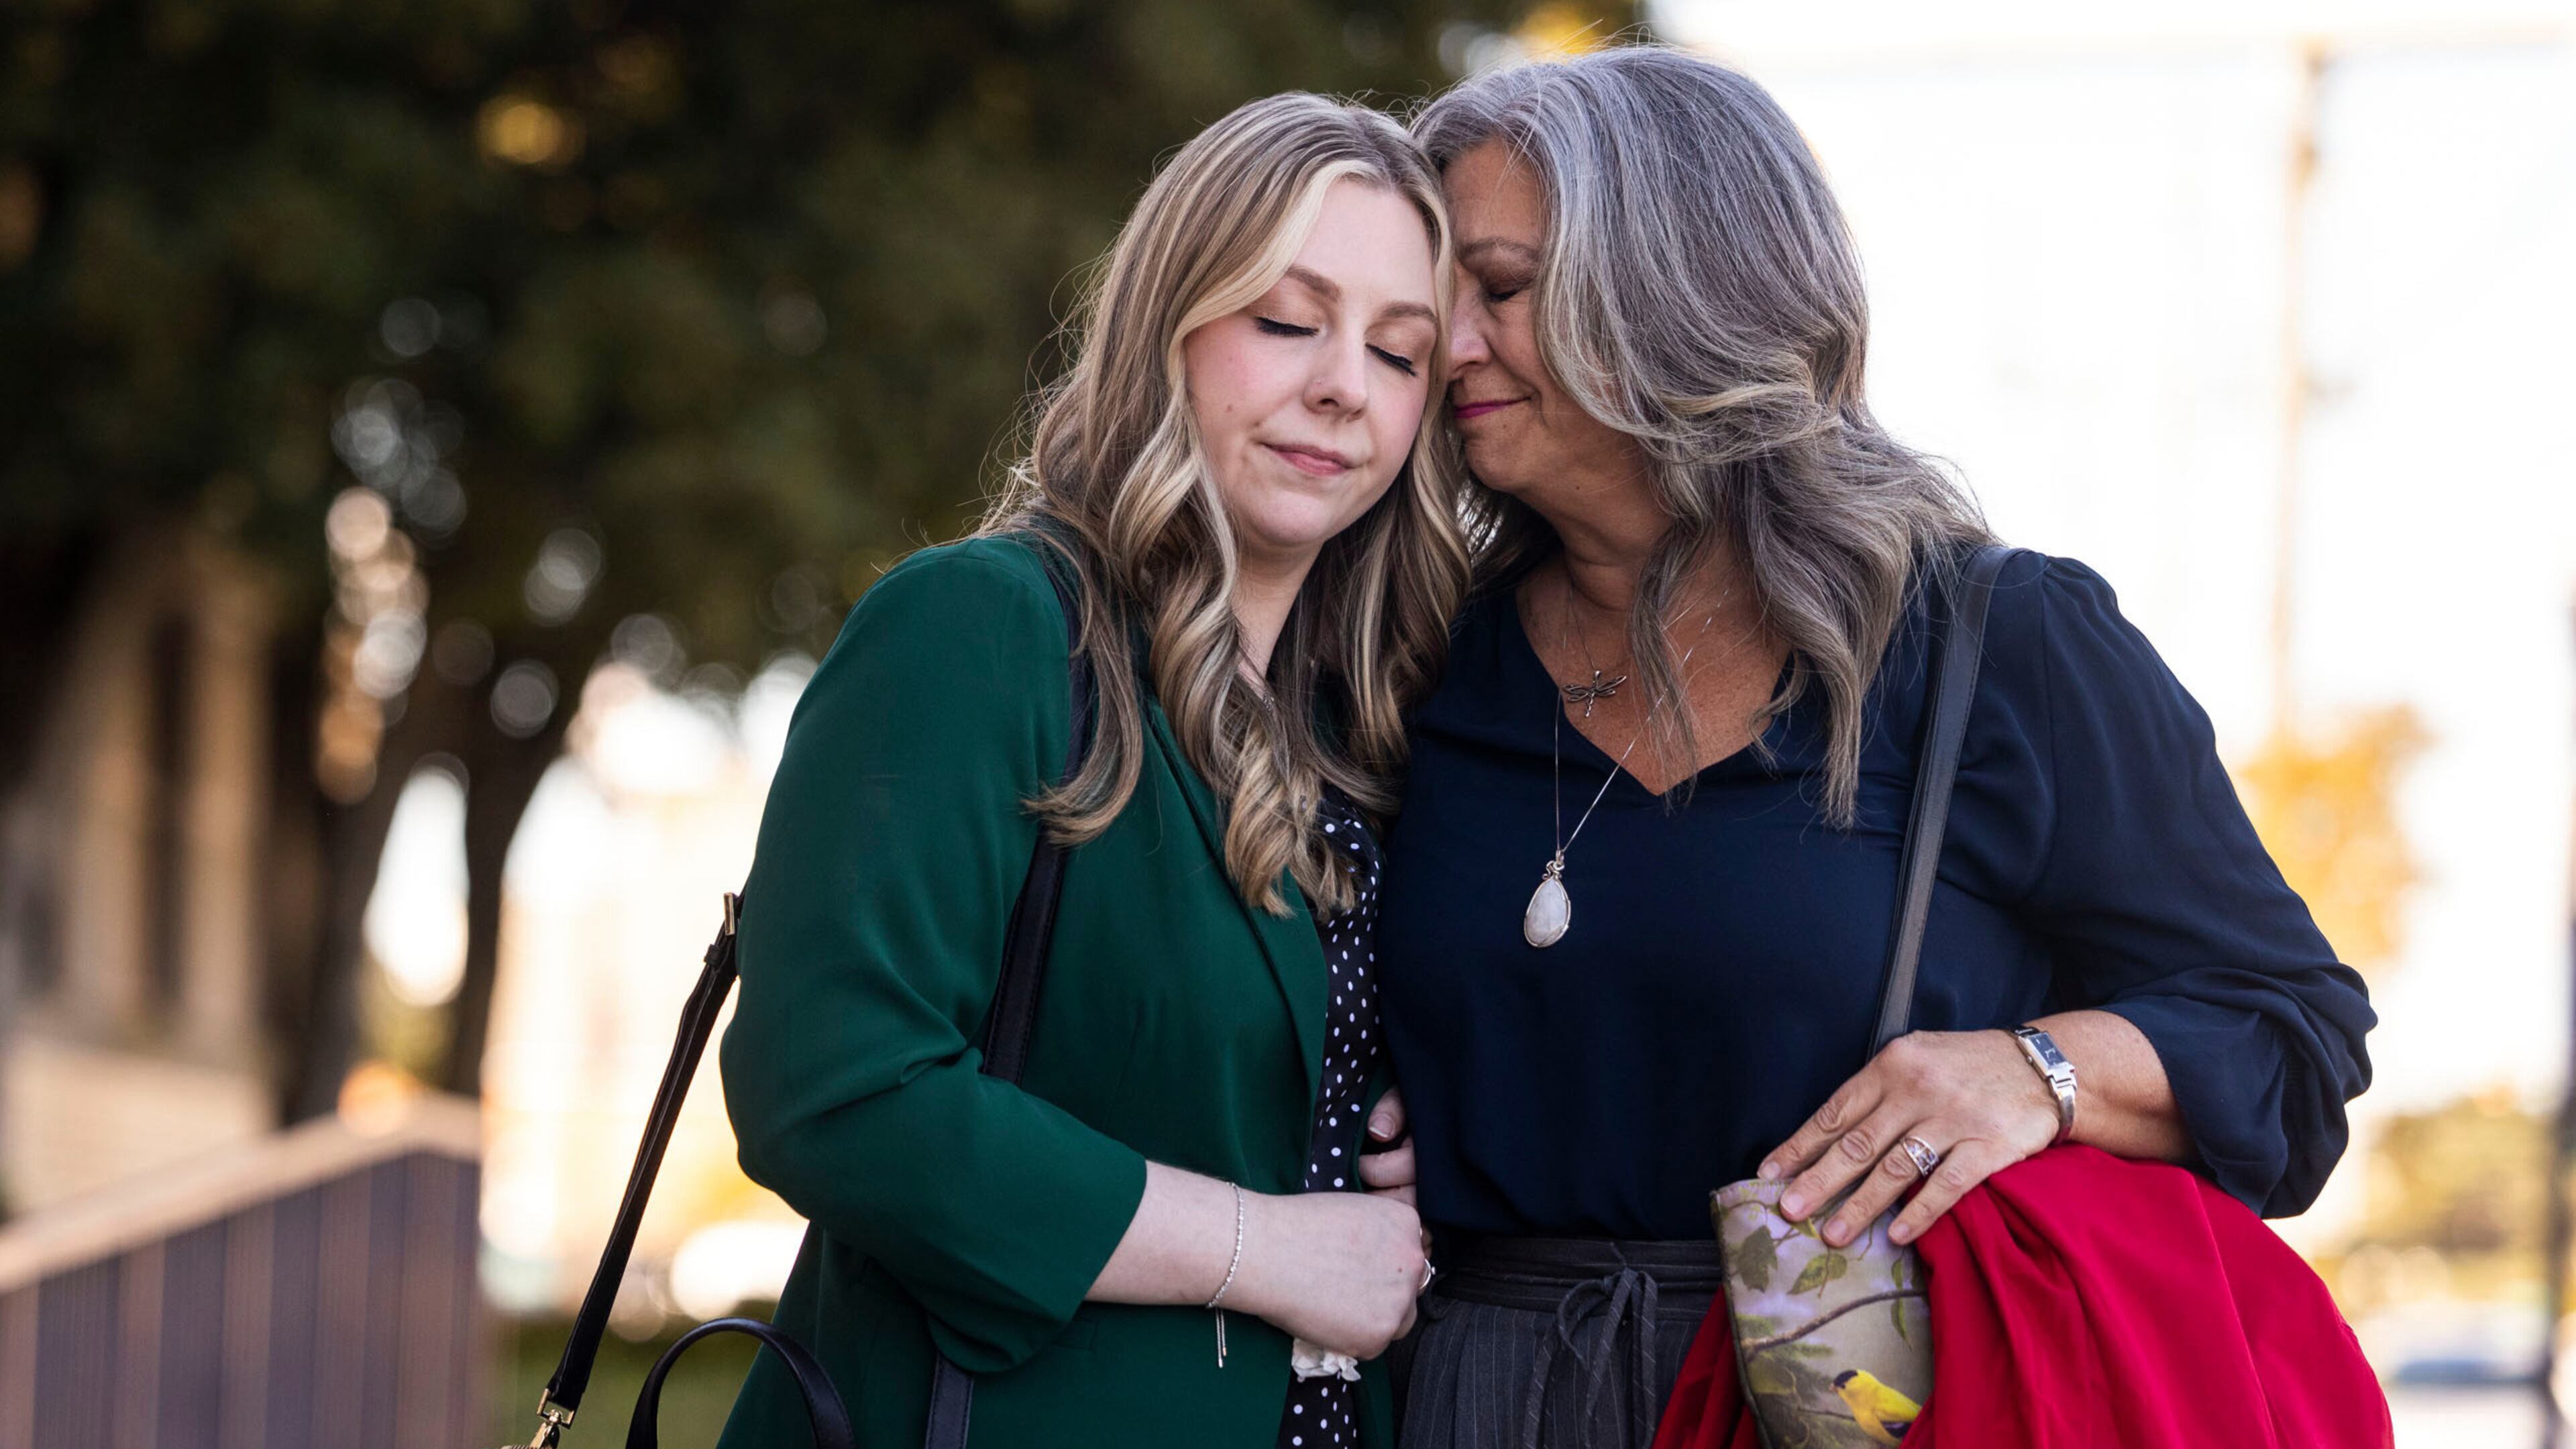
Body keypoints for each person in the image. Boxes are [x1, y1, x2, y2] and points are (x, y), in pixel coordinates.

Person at [1370, 47, 2376, 1448]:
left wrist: (2038, 1071)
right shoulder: (1408, 658)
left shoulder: (1991, 642)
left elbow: (2292, 1037)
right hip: (1473, 1399)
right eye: (1441, 301)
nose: (1446, 345)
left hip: (1833, 1397)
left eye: (1502, 288)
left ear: (1675, 285)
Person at [716, 92, 1468, 1449]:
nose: (1345, 383)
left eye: (1401, 352)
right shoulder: (985, 629)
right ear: (1167, 326)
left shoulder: (1373, 730)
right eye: (1288, 321)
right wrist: (1265, 1247)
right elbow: (832, 1087)